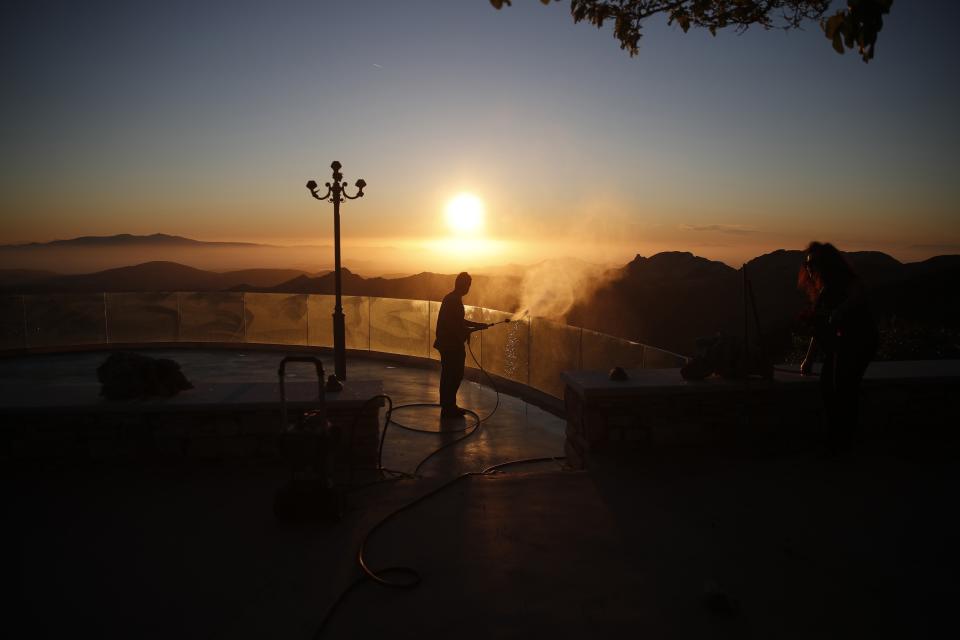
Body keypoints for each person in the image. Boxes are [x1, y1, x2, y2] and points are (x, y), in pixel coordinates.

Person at [798, 242, 879, 452]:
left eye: (813, 263)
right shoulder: (825, 290)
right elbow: (819, 328)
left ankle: (840, 442)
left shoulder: (846, 282)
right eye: (807, 264)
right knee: (829, 387)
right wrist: (808, 359)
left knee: (843, 390)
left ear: (826, 263)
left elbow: (858, 294)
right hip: (841, 345)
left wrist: (840, 310)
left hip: (859, 342)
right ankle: (837, 439)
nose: (809, 268)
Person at [434, 272, 488, 418]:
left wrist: (477, 325)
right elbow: (455, 325)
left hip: (448, 344)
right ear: (462, 284)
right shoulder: (454, 300)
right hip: (451, 345)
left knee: (449, 374)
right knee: (454, 375)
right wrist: (473, 329)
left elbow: (459, 322)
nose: (469, 288)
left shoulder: (452, 298)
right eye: (468, 285)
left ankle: (448, 406)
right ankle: (449, 407)